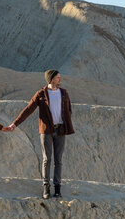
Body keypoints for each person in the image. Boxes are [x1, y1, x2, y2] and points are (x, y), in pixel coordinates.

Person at [6, 69, 74, 198]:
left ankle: (58, 188)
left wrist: (65, 122)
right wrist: (15, 123)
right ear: (51, 79)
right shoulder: (41, 94)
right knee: (47, 159)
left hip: (60, 130)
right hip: (46, 131)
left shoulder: (63, 93)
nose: (60, 79)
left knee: (58, 160)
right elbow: (28, 109)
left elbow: (69, 109)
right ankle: (46, 188)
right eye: (58, 77)